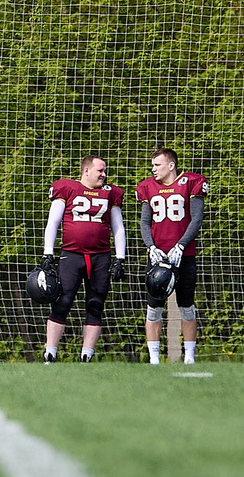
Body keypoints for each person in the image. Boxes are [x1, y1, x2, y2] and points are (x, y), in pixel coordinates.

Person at [42, 156, 126, 363]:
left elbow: (118, 227)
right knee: (62, 302)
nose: (104, 174)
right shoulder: (68, 188)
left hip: (100, 257)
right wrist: (48, 253)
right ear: (86, 171)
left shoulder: (111, 193)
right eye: (100, 170)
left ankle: (86, 355)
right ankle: (50, 352)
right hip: (72, 255)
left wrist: (120, 258)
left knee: (96, 304)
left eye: (105, 170)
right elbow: (53, 222)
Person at [134, 148, 207, 365]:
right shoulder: (148, 187)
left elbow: (196, 218)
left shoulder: (191, 182)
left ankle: (190, 357)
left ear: (171, 165)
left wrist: (182, 245)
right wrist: (151, 247)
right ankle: (154, 359)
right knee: (153, 306)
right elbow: (145, 222)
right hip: (158, 256)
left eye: (157, 164)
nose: (153, 169)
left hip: (183, 255)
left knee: (187, 305)